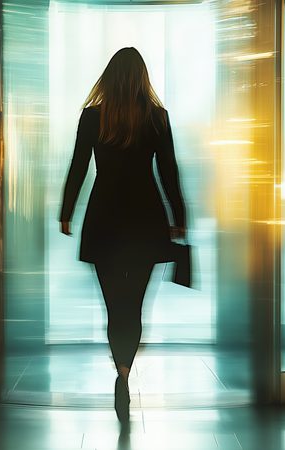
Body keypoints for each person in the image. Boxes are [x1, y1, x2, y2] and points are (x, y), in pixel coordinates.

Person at [58, 47, 187, 424]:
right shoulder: (156, 118)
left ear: (109, 77)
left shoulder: (92, 117)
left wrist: (66, 213)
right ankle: (126, 370)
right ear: (142, 78)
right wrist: (179, 216)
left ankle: (122, 373)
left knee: (115, 304)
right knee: (134, 303)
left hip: (104, 220)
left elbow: (79, 166)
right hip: (147, 220)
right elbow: (169, 171)